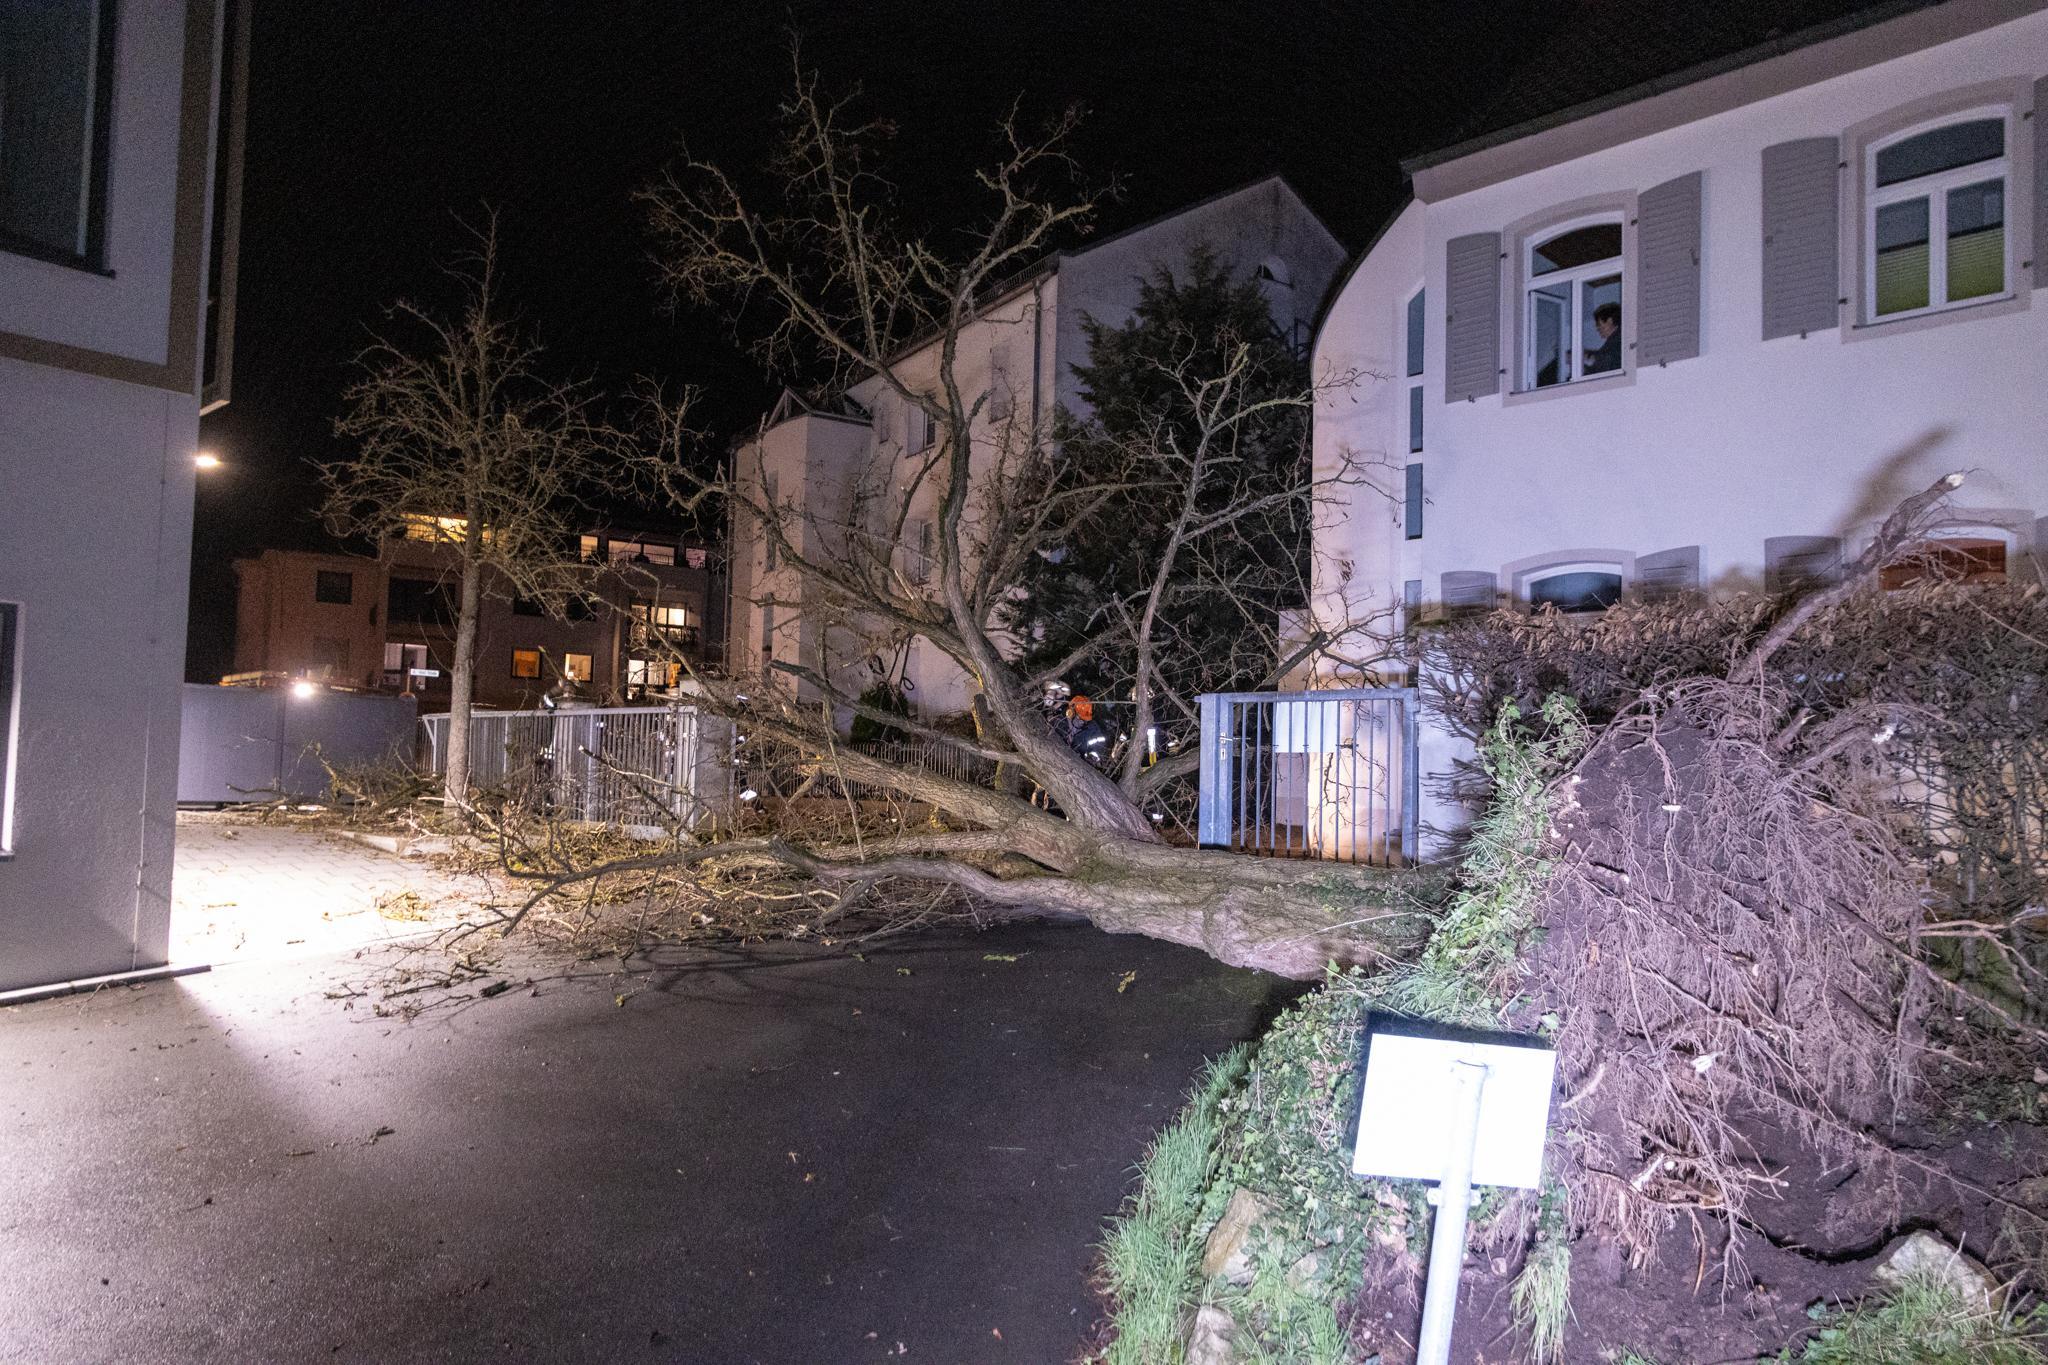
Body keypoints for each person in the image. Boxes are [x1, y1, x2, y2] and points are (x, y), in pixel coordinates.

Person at [1584, 301, 1621, 375]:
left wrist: (1585, 361)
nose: (1597, 328)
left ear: (1609, 321)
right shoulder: (1617, 340)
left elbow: (1603, 367)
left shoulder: (1616, 343)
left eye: (1598, 323)